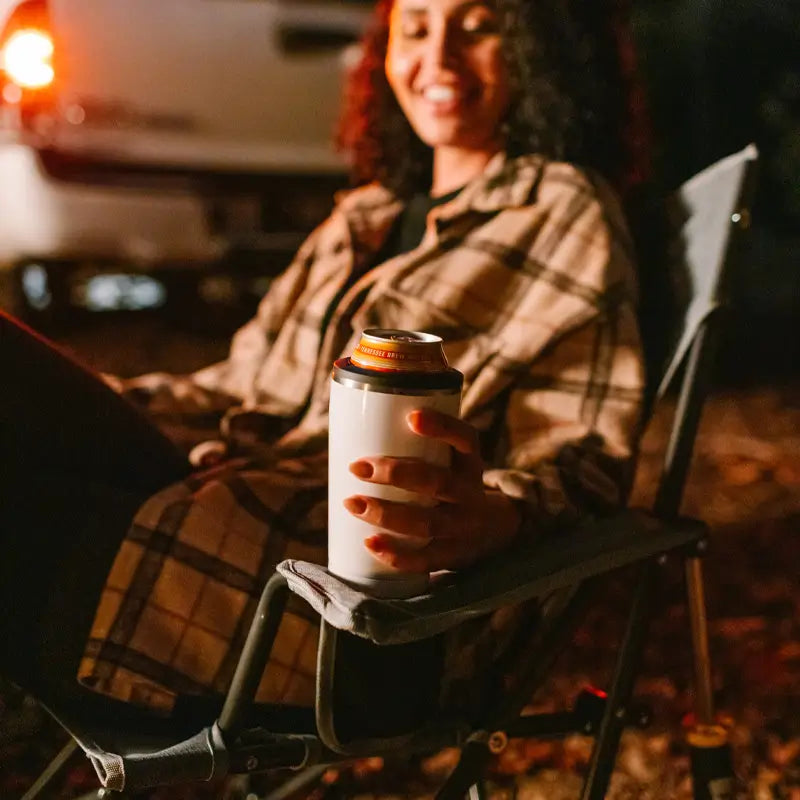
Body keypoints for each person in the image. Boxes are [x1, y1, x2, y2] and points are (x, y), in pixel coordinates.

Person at [0, 0, 649, 722]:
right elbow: (236, 383)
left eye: (477, 27)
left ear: (539, 48)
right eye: (417, 27)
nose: (437, 60)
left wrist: (492, 519)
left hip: (348, 603)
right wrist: (71, 395)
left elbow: (582, 457)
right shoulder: (361, 217)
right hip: (209, 495)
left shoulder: (563, 212)